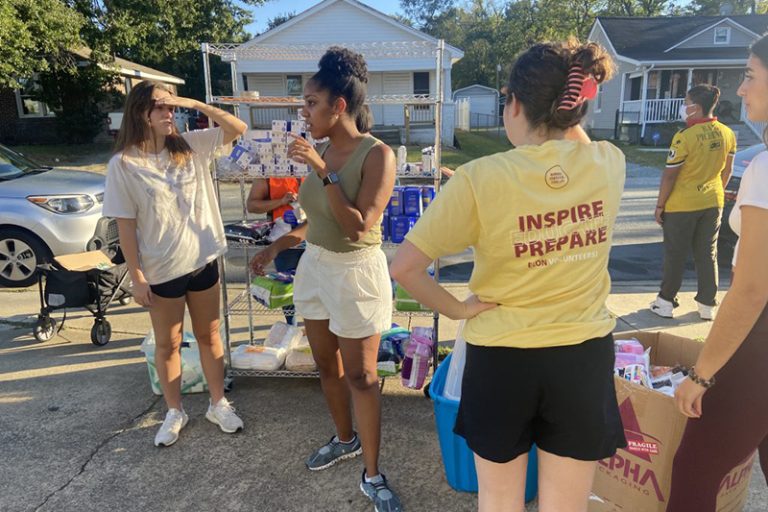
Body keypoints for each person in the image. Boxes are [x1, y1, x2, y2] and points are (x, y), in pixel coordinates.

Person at [390, 39, 627, 512]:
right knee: (566, 503)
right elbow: (572, 143)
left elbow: (405, 268)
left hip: (501, 356)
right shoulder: (609, 163)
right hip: (581, 356)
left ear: (514, 104)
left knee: (499, 499)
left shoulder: (482, 177)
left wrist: (460, 309)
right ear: (577, 103)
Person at [249, 47, 401, 511]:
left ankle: (372, 475)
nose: (304, 110)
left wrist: (322, 172)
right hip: (314, 265)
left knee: (362, 375)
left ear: (339, 105)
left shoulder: (377, 154)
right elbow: (318, 220)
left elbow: (358, 224)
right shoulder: (322, 151)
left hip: (356, 272)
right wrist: (279, 244)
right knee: (326, 364)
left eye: (311, 102)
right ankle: (344, 438)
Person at [103, 81, 247, 447]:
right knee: (168, 345)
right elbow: (126, 224)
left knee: (209, 336)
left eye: (172, 107)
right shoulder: (124, 164)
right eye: (161, 107)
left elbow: (237, 129)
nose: (169, 113)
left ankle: (218, 403)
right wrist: (136, 277)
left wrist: (195, 102)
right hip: (162, 269)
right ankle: (174, 411)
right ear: (141, 113)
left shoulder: (192, 146)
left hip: (202, 260)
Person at [666, 35, 768, 511]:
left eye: (749, 74)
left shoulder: (766, 169)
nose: (742, 90)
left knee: (693, 472)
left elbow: (749, 291)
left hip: (759, 342)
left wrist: (702, 375)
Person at [650, 85, 736, 321]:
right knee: (707, 253)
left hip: (682, 205)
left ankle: (665, 302)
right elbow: (726, 171)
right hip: (713, 201)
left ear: (695, 107)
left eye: (686, 102)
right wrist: (714, 188)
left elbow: (669, 175)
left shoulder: (684, 137)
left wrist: (660, 206)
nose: (683, 106)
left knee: (675, 254)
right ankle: (707, 305)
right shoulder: (727, 133)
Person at [246, 176, 304, 324]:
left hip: (317, 238)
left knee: (322, 290)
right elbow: (252, 205)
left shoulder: (317, 159)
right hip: (283, 241)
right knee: (287, 292)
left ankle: (322, 333)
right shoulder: (269, 170)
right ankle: (291, 330)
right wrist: (281, 201)